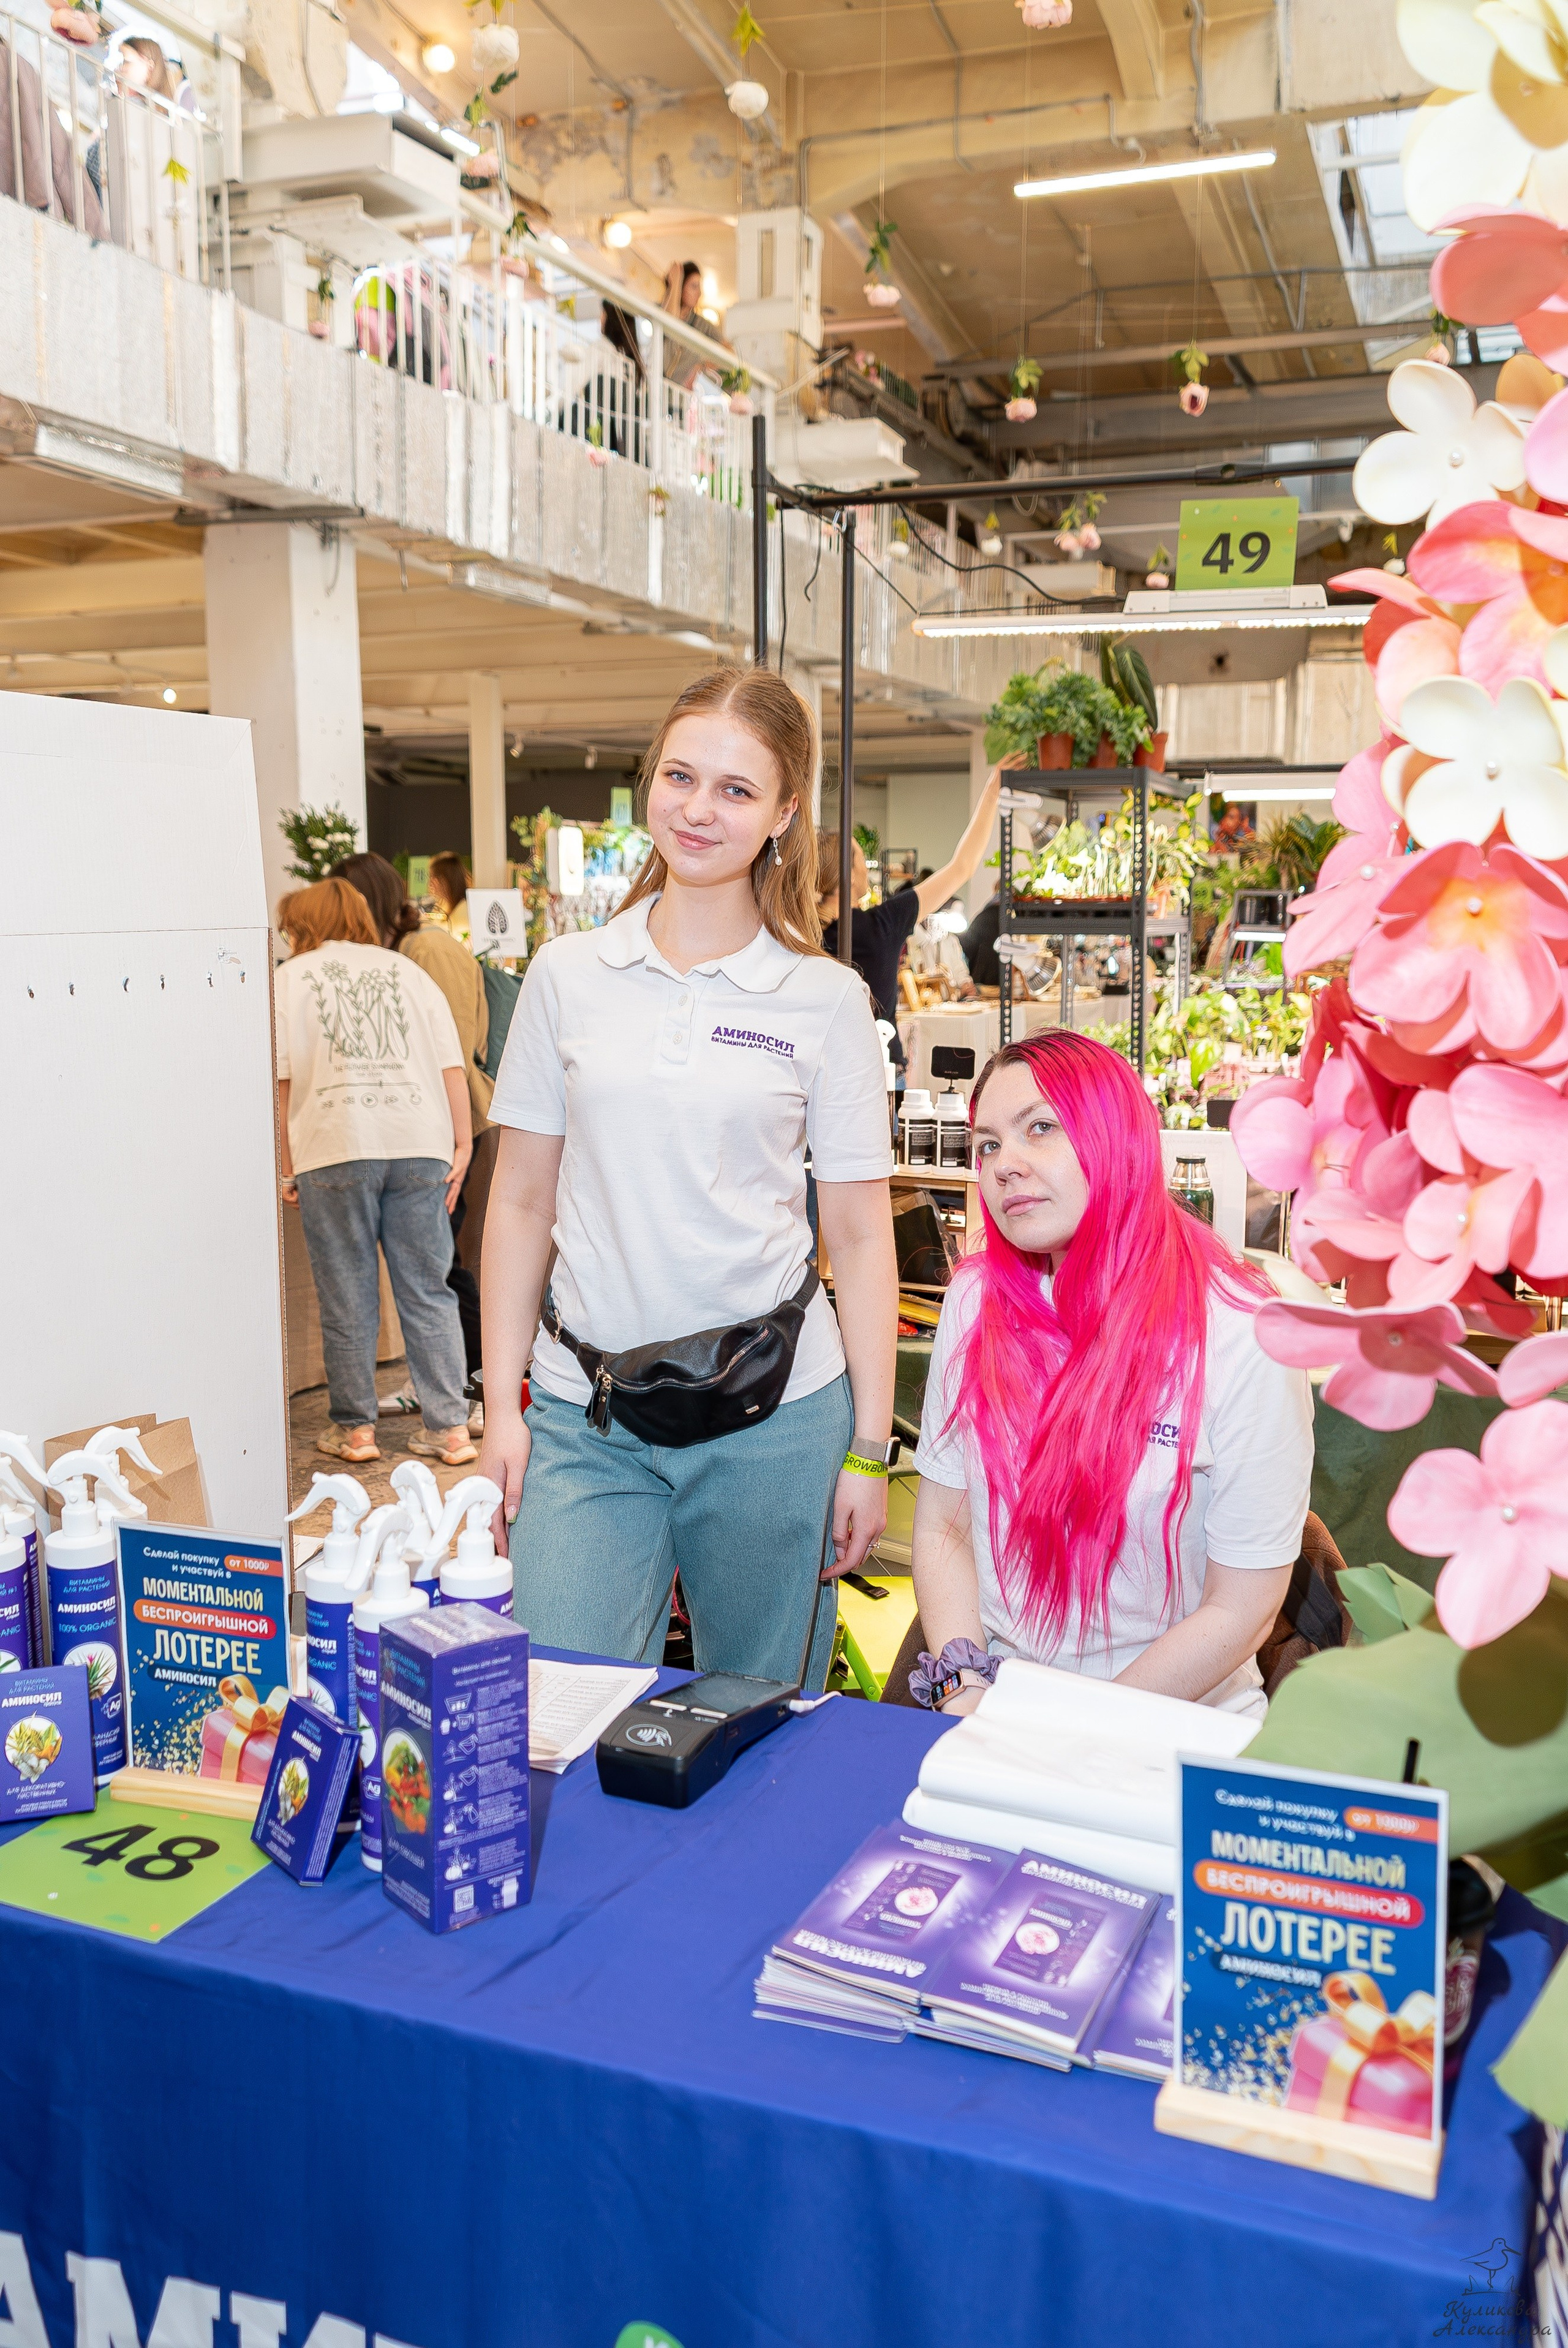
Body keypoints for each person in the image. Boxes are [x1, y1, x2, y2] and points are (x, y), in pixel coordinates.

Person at [479, 665, 899, 1687]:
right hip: (588, 1416)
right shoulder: (567, 975)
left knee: (760, 1719)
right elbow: (521, 1198)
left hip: (776, 1418)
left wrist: (870, 1452)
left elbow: (859, 1232)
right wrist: (500, 1408)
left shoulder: (825, 997)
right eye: (681, 775)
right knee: (557, 1708)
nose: (699, 809)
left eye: (737, 789)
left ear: (784, 814)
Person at [909, 1030, 1312, 1718]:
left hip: (1172, 1722)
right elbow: (941, 1528)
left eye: (1040, 1127)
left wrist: (1073, 1731)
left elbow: (1240, 1608)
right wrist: (962, 1689)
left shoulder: (1244, 1331)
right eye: (988, 1144)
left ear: (1115, 1137)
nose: (1005, 1164)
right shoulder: (975, 1301)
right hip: (996, 1708)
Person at [275, 877, 478, 1470]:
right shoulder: (408, 973)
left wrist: (286, 1163)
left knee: (347, 1292)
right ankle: (449, 1430)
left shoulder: (289, 979)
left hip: (333, 1143)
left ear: (305, 924)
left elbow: (283, 1080)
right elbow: (450, 1066)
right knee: (428, 1287)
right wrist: (461, 1143)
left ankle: (356, 1429)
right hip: (419, 1142)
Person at [330, 851, 492, 1395]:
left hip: (451, 1125)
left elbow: (449, 1048)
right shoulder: (404, 952)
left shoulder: (425, 950)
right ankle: (455, 1386)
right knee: (438, 1267)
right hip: (434, 1126)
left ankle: (473, 1383)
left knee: (441, 1271)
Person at [816, 755, 1017, 1051]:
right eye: (860, 858)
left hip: (823, 1066)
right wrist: (991, 792)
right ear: (847, 874)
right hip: (877, 1066)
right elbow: (962, 867)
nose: (866, 869)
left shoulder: (804, 930)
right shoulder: (881, 926)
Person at [428, 852, 472, 942]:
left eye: (435, 877)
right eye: (431, 877)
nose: (431, 883)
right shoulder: (440, 906)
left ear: (448, 879)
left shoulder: (464, 908)